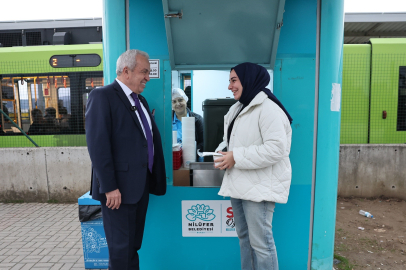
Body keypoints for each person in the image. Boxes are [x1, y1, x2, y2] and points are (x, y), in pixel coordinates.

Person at [85, 49, 166, 270]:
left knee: (131, 247)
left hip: (138, 188)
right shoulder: (102, 96)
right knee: (121, 250)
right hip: (118, 192)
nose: (148, 77)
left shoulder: (140, 100)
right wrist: (110, 187)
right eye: (144, 72)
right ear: (127, 71)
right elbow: (98, 146)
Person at [214, 62, 293, 270]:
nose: (230, 86)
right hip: (239, 183)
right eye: (229, 81)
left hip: (260, 187)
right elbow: (233, 141)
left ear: (248, 79)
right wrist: (223, 153)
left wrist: (236, 156)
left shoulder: (268, 108)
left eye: (234, 80)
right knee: (245, 239)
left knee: (261, 244)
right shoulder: (238, 108)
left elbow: (277, 149)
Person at [172, 88, 203, 160]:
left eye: (180, 100)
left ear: (185, 100)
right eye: (174, 101)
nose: (178, 104)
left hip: (192, 158)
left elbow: (203, 141)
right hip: (173, 160)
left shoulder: (197, 120)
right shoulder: (167, 121)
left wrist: (191, 154)